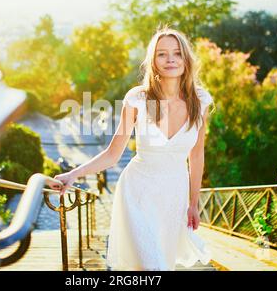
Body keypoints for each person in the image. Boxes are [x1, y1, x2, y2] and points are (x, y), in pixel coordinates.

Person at [52, 26, 214, 271]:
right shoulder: (137, 99)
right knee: (152, 266)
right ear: (153, 61)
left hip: (174, 195)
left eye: (177, 53)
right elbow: (112, 154)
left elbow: (197, 154)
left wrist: (193, 202)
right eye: (162, 54)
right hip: (138, 192)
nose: (170, 59)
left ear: (186, 59)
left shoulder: (200, 101)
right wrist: (72, 174)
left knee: (162, 264)